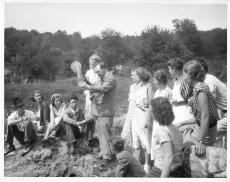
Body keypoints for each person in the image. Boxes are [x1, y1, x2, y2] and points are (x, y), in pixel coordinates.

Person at [74, 61, 117, 164]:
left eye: (98, 71)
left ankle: (107, 157)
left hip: (105, 112)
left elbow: (102, 89)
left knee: (105, 134)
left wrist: (87, 86)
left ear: (104, 68)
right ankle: (103, 152)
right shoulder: (101, 78)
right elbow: (96, 89)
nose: (97, 74)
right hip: (98, 111)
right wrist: (92, 93)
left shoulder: (110, 78)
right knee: (100, 133)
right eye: (96, 72)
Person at [183, 60, 219, 155]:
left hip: (206, 132)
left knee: (193, 155)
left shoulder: (200, 88)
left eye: (184, 74)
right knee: (184, 146)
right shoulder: (199, 86)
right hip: (201, 128)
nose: (183, 77)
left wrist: (200, 142)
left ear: (191, 75)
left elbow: (205, 116)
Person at [148, 97, 185, 178]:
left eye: (152, 110)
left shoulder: (162, 130)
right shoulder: (174, 127)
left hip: (161, 171)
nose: (150, 112)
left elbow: (169, 157)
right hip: (177, 169)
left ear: (157, 112)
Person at [197, 58, 227, 148]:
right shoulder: (207, 80)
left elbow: (207, 107)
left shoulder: (208, 81)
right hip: (224, 114)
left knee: (206, 134)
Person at [131, 67, 153, 173]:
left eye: (136, 75)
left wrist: (146, 120)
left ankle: (147, 164)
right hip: (136, 115)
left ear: (140, 76)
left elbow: (151, 106)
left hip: (144, 116)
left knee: (145, 141)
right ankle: (137, 163)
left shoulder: (149, 87)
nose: (134, 77)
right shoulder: (138, 86)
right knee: (136, 140)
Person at [167, 58, 195, 130]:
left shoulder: (185, 80)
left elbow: (191, 98)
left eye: (169, 69)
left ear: (174, 69)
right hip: (176, 111)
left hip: (185, 112)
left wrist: (179, 102)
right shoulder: (175, 81)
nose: (169, 71)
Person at [120, 69, 138, 148]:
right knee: (128, 130)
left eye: (133, 75)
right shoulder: (132, 86)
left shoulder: (143, 87)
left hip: (138, 112)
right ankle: (129, 149)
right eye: (131, 75)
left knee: (136, 132)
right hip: (131, 111)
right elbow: (130, 102)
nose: (131, 77)